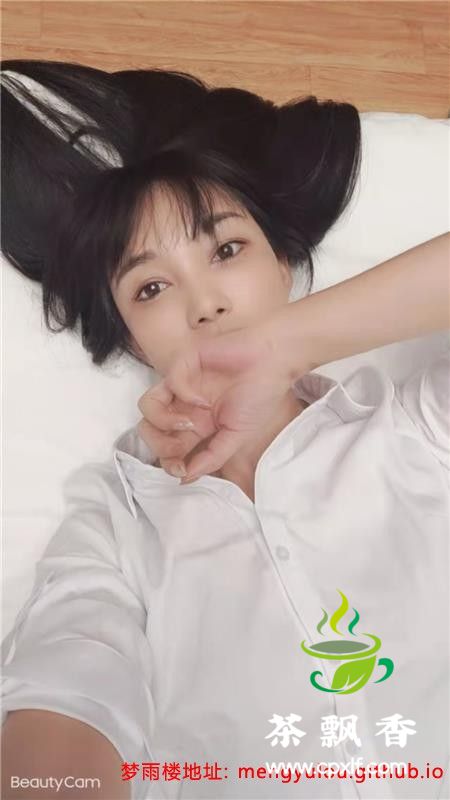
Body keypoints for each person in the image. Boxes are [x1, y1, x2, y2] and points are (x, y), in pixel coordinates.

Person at [1, 60, 449, 800]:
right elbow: (68, 692)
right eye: (151, 286)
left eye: (227, 250)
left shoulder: (417, 433)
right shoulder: (115, 528)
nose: (203, 303)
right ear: (131, 337)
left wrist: (288, 344)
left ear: (286, 262)